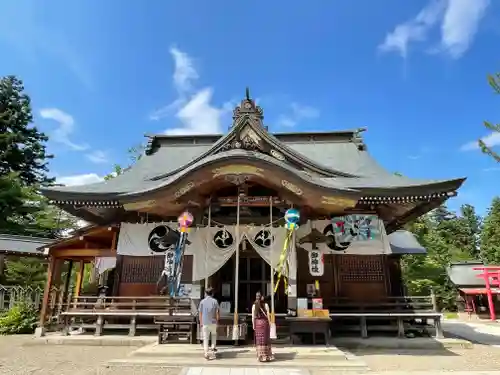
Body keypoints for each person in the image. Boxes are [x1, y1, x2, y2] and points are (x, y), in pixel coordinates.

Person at [252, 292, 274, 362]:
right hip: (265, 323)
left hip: (258, 323)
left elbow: (253, 317)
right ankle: (267, 356)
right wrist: (270, 323)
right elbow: (268, 315)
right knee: (266, 339)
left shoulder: (254, 305)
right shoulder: (266, 305)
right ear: (262, 297)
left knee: (259, 340)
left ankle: (260, 356)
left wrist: (253, 325)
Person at [198, 287, 219, 360]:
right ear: (212, 293)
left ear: (206, 293)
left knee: (205, 338)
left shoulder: (202, 302)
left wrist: (201, 322)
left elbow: (200, 313)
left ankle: (206, 353)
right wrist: (217, 321)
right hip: (213, 322)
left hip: (205, 322)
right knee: (213, 335)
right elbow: (217, 313)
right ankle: (213, 349)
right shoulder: (215, 301)